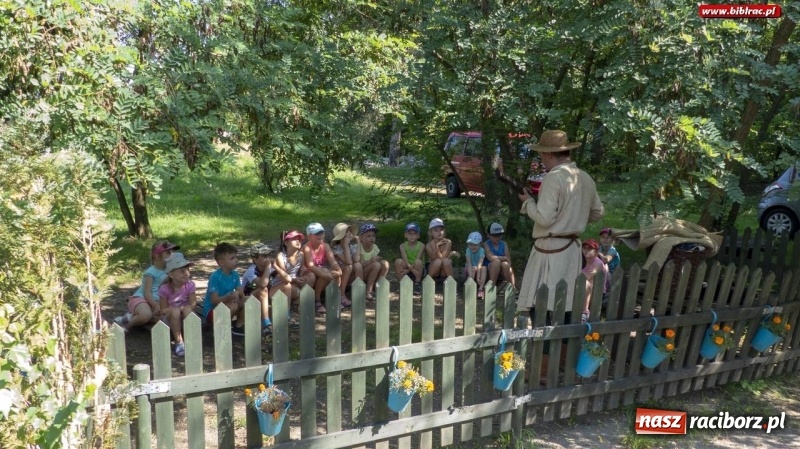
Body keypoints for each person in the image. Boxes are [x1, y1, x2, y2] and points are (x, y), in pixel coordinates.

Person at [516, 130, 605, 325]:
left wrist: (528, 203)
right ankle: (562, 352)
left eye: (541, 155)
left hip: (549, 250)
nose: (541, 159)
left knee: (541, 304)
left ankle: (546, 352)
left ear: (548, 154)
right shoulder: (585, 177)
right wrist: (574, 218)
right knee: (566, 304)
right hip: (571, 250)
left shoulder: (553, 177)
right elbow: (598, 212)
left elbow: (544, 218)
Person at [115, 241, 179, 332]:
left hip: (156, 302)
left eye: (173, 252)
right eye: (168, 252)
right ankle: (127, 326)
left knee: (162, 318)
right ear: (157, 256)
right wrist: (155, 305)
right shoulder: (151, 272)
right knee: (146, 315)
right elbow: (147, 292)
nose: (172, 254)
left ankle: (132, 317)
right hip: (142, 298)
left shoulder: (170, 270)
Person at [157, 253, 197, 356]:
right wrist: (177, 309)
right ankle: (179, 342)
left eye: (188, 270)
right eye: (182, 271)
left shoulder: (190, 285)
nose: (186, 273)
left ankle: (191, 340)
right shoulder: (164, 289)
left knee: (188, 309)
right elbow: (163, 310)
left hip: (184, 314)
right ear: (171, 275)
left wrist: (183, 308)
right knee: (175, 311)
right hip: (170, 317)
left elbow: (193, 304)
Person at [271, 230, 314, 325]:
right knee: (288, 286)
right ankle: (287, 315)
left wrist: (303, 273)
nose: (298, 241)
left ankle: (296, 305)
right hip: (281, 284)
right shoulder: (281, 256)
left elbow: (300, 272)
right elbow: (284, 276)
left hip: (294, 282)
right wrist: (295, 280)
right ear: (286, 242)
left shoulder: (301, 255)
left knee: (311, 276)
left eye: (299, 239)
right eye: (294, 239)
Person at [204, 242, 247, 336]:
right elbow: (214, 301)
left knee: (248, 300)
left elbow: (241, 293)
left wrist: (237, 293)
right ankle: (222, 330)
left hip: (229, 305)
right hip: (213, 310)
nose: (236, 260)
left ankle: (238, 327)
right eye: (232, 258)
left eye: (236, 257)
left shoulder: (234, 274)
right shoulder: (215, 277)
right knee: (233, 305)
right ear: (221, 262)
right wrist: (227, 297)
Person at [303, 223, 342, 314]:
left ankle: (334, 298)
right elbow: (310, 266)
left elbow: (332, 261)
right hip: (310, 273)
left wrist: (338, 270)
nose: (321, 235)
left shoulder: (325, 246)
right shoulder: (306, 248)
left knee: (335, 273)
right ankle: (317, 299)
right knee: (325, 272)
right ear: (309, 236)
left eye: (322, 233)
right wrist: (325, 274)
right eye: (317, 233)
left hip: (322, 273)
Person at [242, 243, 278, 335]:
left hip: (263, 298)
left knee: (284, 286)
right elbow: (262, 284)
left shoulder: (270, 269)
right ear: (255, 259)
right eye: (265, 255)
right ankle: (266, 322)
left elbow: (287, 279)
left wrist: (277, 267)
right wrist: (268, 267)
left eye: (269, 255)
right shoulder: (251, 271)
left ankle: (287, 314)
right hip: (248, 298)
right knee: (263, 289)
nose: (268, 258)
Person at [330, 223, 360, 307]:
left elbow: (357, 260)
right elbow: (348, 262)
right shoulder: (337, 249)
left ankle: (358, 291)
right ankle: (341, 295)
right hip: (337, 276)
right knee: (349, 267)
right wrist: (346, 245)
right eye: (347, 232)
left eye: (350, 231)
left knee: (358, 265)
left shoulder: (351, 247)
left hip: (347, 276)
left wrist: (358, 243)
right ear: (342, 237)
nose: (351, 233)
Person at [358, 223, 390, 301]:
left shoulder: (375, 247)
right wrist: (370, 261)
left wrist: (377, 260)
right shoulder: (359, 248)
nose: (372, 238)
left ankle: (378, 286)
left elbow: (377, 261)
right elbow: (359, 266)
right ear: (361, 238)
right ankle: (368, 291)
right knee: (376, 265)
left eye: (373, 236)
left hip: (372, 271)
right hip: (361, 274)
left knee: (385, 263)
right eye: (368, 236)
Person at [580, 239, 609, 323]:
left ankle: (585, 312)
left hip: (597, 292)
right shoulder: (583, 260)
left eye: (589, 248)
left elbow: (586, 277)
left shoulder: (598, 263)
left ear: (596, 251)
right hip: (585, 290)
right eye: (584, 248)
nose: (586, 250)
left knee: (585, 283)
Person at [394, 222, 425, 295]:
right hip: (407, 266)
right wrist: (408, 269)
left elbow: (418, 258)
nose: (412, 236)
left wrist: (407, 271)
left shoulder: (421, 245)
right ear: (405, 235)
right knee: (398, 261)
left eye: (414, 234)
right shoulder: (402, 246)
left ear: (418, 236)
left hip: (417, 269)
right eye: (410, 233)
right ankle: (401, 282)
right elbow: (405, 259)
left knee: (418, 262)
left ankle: (417, 284)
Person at [483, 222, 516, 290]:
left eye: (499, 235)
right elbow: (490, 257)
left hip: (502, 265)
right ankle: (492, 287)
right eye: (495, 236)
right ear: (488, 235)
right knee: (496, 262)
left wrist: (502, 258)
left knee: (505, 264)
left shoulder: (504, 244)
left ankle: (512, 287)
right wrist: (503, 258)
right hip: (490, 266)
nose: (497, 238)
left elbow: (508, 259)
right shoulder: (486, 244)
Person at [465, 231, 488, 298]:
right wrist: (470, 277)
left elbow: (480, 264)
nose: (473, 246)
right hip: (469, 269)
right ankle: (470, 286)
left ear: (480, 244)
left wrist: (478, 277)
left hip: (479, 268)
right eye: (471, 244)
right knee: (473, 268)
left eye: (475, 245)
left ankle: (480, 289)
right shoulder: (468, 250)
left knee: (484, 268)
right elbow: (469, 263)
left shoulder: (481, 250)